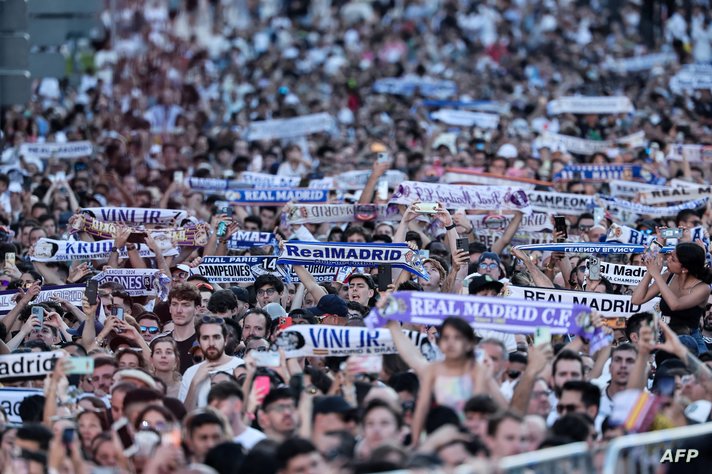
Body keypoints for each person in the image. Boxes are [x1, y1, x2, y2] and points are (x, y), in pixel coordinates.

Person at [633, 242, 712, 354]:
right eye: (670, 255)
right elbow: (636, 300)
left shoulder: (703, 288)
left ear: (685, 269)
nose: (668, 259)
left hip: (690, 342)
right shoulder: (668, 277)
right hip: (664, 338)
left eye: (673, 259)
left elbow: (675, 305)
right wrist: (650, 273)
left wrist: (656, 275)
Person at [179, 316, 244, 409]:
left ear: (225, 340)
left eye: (216, 337)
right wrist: (194, 383)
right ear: (199, 342)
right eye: (205, 338)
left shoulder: (241, 367)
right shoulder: (191, 373)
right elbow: (184, 418)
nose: (211, 343)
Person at [167, 284, 202, 373]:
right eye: (174, 304)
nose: (179, 310)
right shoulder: (160, 342)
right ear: (170, 308)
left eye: (185, 305)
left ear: (196, 309)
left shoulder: (205, 343)